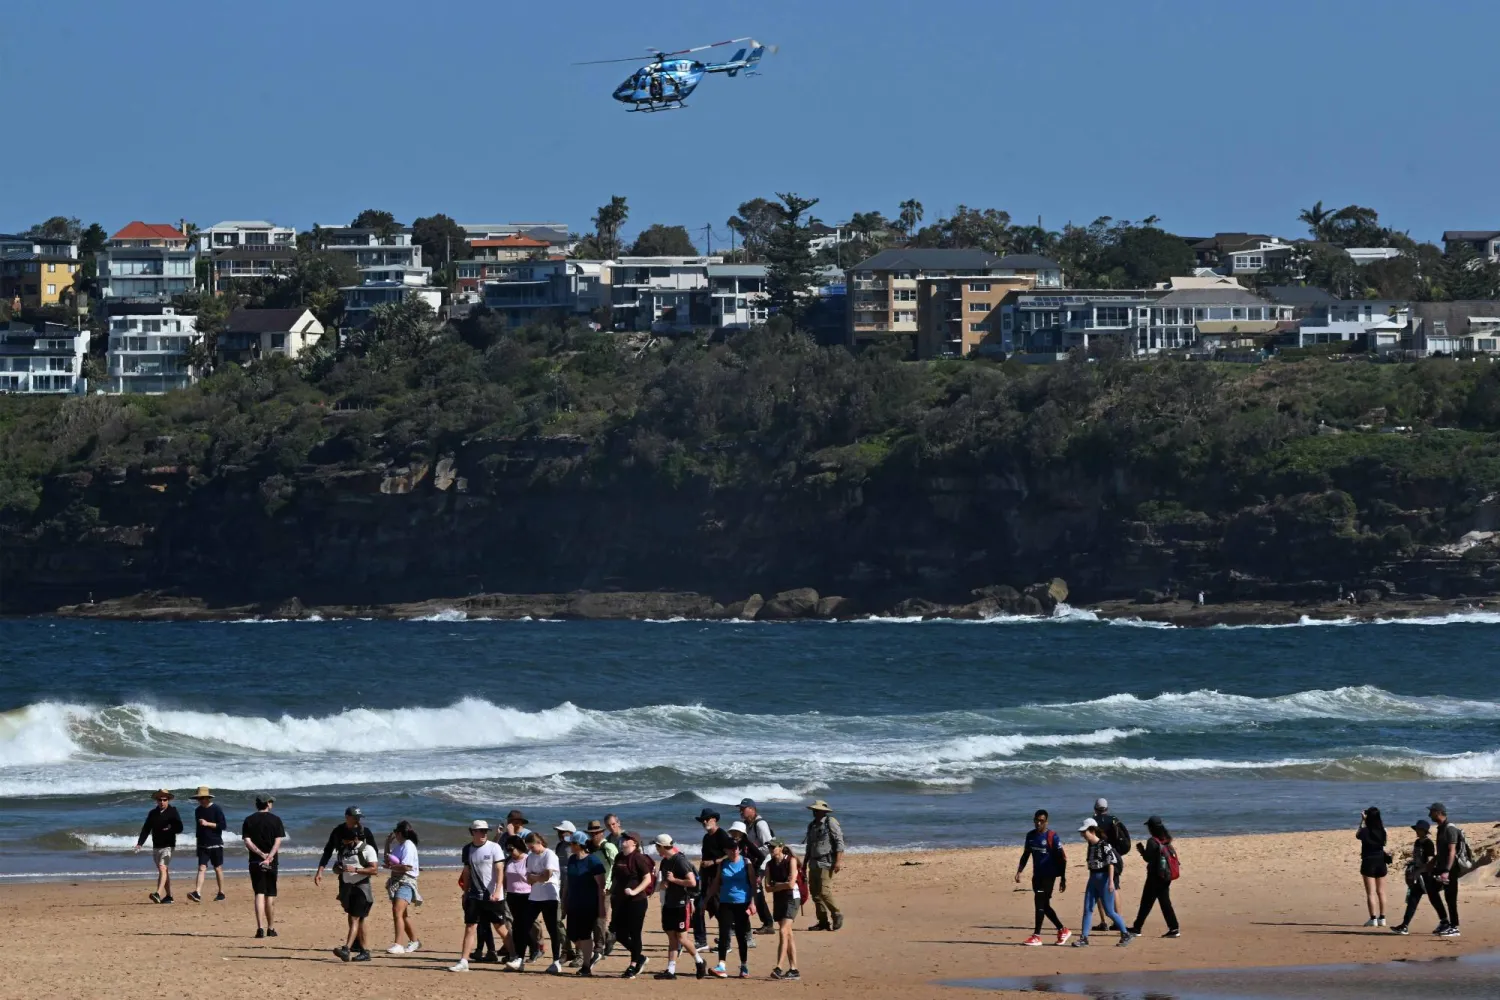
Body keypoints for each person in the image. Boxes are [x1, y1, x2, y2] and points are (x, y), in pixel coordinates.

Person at [449, 820, 506, 972]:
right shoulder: (467, 849)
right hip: (474, 895)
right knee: (470, 927)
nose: (483, 833)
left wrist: (497, 890)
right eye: (480, 831)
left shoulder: (495, 847)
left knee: (500, 927)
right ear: (473, 832)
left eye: (485, 831)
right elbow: (466, 872)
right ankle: (463, 961)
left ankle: (515, 956)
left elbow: (500, 870)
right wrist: (465, 892)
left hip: (492, 895)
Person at [1071, 818, 1132, 948]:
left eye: (1084, 832)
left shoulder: (1104, 845)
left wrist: (1111, 882)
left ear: (1092, 830)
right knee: (1087, 909)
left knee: (1109, 911)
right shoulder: (1091, 846)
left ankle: (1125, 933)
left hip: (1104, 880)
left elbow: (1111, 863)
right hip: (1093, 879)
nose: (1082, 835)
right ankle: (1084, 938)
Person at [1015, 808, 1070, 946]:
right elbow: (1026, 854)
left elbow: (1062, 858)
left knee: (1039, 903)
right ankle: (1062, 930)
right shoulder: (1031, 836)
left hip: (1049, 876)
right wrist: (1019, 871)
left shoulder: (1052, 836)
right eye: (1036, 820)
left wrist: (1063, 878)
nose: (1039, 823)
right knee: (1044, 905)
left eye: (1042, 821)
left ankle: (1037, 936)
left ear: (1046, 822)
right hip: (1037, 875)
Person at [652, 834, 703, 981]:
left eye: (657, 847)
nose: (656, 850)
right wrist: (663, 885)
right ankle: (671, 970)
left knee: (682, 938)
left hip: (681, 903)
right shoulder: (664, 862)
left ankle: (699, 961)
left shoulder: (680, 861)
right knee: (671, 938)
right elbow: (663, 883)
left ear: (662, 846)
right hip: (669, 903)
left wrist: (674, 880)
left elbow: (692, 882)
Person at [707, 837, 754, 978]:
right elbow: (716, 883)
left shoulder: (746, 863)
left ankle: (744, 966)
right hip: (725, 902)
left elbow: (753, 884)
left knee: (741, 935)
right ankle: (721, 966)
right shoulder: (723, 864)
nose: (734, 851)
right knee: (723, 934)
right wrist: (706, 900)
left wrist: (752, 902)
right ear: (726, 850)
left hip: (742, 903)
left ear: (739, 849)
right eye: (731, 849)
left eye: (736, 848)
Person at [1392, 819, 1448, 935]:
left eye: (1418, 829)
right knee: (1413, 899)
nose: (1416, 831)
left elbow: (1430, 862)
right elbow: (1417, 858)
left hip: (1428, 876)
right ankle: (1405, 925)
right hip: (1418, 876)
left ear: (1424, 831)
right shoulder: (1417, 842)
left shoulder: (1428, 844)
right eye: (1416, 829)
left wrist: (1419, 871)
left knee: (1434, 899)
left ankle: (1444, 922)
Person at [612, 832, 656, 978]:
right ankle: (640, 957)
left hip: (637, 901)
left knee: (634, 933)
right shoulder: (619, 857)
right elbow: (616, 878)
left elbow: (647, 879)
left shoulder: (638, 858)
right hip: (620, 901)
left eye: (627, 839)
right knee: (619, 934)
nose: (623, 840)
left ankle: (633, 964)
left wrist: (634, 891)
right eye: (623, 838)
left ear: (634, 843)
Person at [240, 795, 285, 939]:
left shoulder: (249, 819)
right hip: (271, 861)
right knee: (270, 894)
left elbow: (247, 841)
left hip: (255, 861)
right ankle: (271, 928)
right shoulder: (276, 820)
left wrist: (260, 854)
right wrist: (269, 856)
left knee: (259, 893)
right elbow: (277, 842)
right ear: (268, 804)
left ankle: (260, 927)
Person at [564, 831, 607, 976]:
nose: (570, 845)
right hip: (573, 903)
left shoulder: (593, 862)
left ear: (579, 845)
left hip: (588, 905)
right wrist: (564, 902)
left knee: (585, 935)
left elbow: (601, 887)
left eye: (572, 843)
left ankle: (586, 966)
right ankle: (590, 956)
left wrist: (601, 908)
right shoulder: (572, 860)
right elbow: (568, 884)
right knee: (572, 935)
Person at [333, 825, 379, 962]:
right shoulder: (343, 850)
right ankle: (365, 951)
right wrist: (338, 869)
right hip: (348, 889)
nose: (344, 843)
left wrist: (355, 869)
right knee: (359, 920)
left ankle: (346, 949)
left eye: (347, 840)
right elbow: (337, 870)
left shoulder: (367, 849)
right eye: (343, 840)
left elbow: (374, 870)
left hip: (361, 889)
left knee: (354, 919)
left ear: (355, 837)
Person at [1129, 816, 1180, 938]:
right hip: (1165, 875)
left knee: (1148, 903)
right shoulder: (1166, 839)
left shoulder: (1152, 841)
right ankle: (1172, 928)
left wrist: (1141, 851)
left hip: (1155, 877)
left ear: (1151, 827)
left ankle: (1138, 928)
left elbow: (1148, 858)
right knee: (1160, 902)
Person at [694, 808, 736, 950]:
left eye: (707, 819)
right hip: (706, 878)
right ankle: (702, 941)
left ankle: (725, 942)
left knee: (717, 909)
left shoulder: (721, 835)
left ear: (714, 819)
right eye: (703, 820)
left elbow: (733, 852)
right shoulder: (706, 837)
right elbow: (704, 859)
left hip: (718, 879)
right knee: (700, 907)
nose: (704, 822)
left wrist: (714, 862)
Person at [524, 831, 565, 974]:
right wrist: (537, 877)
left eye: (532, 847)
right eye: (528, 848)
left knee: (553, 929)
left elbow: (547, 876)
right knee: (525, 925)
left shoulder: (549, 855)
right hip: (534, 896)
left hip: (550, 896)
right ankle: (520, 957)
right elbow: (528, 878)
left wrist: (536, 877)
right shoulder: (530, 857)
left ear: (539, 843)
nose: (530, 850)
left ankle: (556, 961)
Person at [134, 788, 183, 904]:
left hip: (168, 845)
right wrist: (139, 843)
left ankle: (158, 894)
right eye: (160, 800)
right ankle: (169, 896)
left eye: (164, 800)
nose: (162, 802)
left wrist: (171, 827)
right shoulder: (153, 813)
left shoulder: (173, 812)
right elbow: (146, 829)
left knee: (162, 868)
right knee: (164, 871)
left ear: (168, 800)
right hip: (156, 846)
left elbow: (180, 827)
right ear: (156, 801)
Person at [803, 799, 845, 931]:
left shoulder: (830, 822)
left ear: (823, 811)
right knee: (815, 894)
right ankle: (822, 921)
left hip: (826, 862)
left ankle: (836, 913)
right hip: (814, 862)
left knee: (824, 892)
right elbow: (809, 846)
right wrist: (804, 864)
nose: (814, 812)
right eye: (814, 810)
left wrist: (838, 861)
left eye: (816, 810)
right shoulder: (812, 826)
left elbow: (839, 842)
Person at [765, 838, 802, 980]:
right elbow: (767, 888)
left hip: (792, 898)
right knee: (788, 934)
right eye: (769, 847)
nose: (771, 850)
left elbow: (791, 884)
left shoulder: (790, 860)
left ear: (781, 847)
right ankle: (794, 969)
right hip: (779, 899)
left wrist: (778, 885)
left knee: (783, 931)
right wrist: (782, 884)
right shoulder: (769, 865)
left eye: (773, 847)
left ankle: (779, 967)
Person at [1089, 798, 1128, 930]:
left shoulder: (1093, 822)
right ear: (1107, 809)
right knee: (1115, 888)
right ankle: (1118, 920)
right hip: (1113, 856)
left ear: (1095, 808)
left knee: (1098, 889)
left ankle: (1103, 922)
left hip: (1098, 858)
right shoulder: (1113, 819)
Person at [739, 799, 778, 934]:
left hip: (762, 864)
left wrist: (753, 854)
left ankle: (768, 923)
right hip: (753, 863)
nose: (740, 811)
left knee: (757, 891)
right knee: (753, 891)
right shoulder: (747, 825)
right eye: (740, 809)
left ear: (752, 809)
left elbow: (769, 845)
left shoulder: (760, 824)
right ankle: (764, 922)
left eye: (743, 809)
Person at [383, 820, 421, 955]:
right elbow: (388, 859)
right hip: (397, 881)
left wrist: (391, 867)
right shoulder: (400, 846)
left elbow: (407, 867)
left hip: (406, 882)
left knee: (397, 911)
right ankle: (414, 941)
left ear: (399, 833)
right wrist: (387, 844)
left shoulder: (408, 845)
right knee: (403, 915)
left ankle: (398, 944)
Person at [314, 806, 377, 888]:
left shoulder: (365, 832)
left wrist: (369, 869)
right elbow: (328, 851)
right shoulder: (338, 832)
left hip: (362, 875)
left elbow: (374, 851)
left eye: (359, 817)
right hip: (344, 873)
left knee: (364, 899)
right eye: (355, 817)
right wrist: (320, 872)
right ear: (347, 817)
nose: (358, 820)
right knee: (346, 899)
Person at [585, 819, 620, 960]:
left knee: (600, 918)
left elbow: (617, 867)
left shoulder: (609, 847)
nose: (593, 836)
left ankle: (598, 948)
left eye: (596, 833)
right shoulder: (588, 848)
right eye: (591, 833)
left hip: (605, 888)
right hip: (590, 887)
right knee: (593, 919)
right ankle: (609, 937)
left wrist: (610, 886)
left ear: (601, 833)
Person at [187, 786, 227, 903]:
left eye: (201, 798)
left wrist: (207, 823)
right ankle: (197, 892)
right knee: (201, 868)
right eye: (198, 798)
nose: (199, 800)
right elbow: (199, 828)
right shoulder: (198, 810)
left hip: (215, 843)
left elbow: (222, 826)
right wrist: (198, 841)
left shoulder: (216, 809)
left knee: (218, 868)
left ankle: (221, 892)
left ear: (207, 798)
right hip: (202, 844)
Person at [1429, 803, 1463, 937]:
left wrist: (1447, 871)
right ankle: (1444, 921)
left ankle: (1454, 927)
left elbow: (1452, 851)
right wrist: (1431, 863)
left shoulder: (1450, 829)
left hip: (1451, 868)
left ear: (1438, 813)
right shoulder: (1440, 828)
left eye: (1431, 812)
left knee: (1450, 898)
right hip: (1441, 867)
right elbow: (1442, 851)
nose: (1429, 815)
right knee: (1431, 890)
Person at [501, 835, 533, 970]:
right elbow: (503, 877)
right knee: (516, 927)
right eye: (507, 849)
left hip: (527, 896)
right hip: (512, 896)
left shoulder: (528, 860)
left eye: (511, 849)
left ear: (519, 847)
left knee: (523, 928)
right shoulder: (508, 860)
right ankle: (518, 958)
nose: (509, 852)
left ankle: (521, 957)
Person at [1357, 806, 1389, 927]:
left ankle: (1373, 918)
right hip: (1381, 860)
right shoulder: (1383, 830)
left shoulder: (1365, 831)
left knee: (1370, 892)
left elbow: (1357, 834)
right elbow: (1384, 842)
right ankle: (1383, 918)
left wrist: (1362, 821)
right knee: (1381, 891)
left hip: (1368, 861)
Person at [552, 821, 580, 964]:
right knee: (557, 921)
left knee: (576, 922)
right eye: (559, 832)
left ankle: (580, 953)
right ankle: (567, 950)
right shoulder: (559, 846)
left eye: (563, 832)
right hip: (559, 888)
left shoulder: (577, 848)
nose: (560, 834)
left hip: (575, 888)